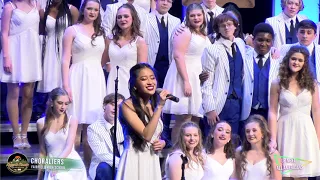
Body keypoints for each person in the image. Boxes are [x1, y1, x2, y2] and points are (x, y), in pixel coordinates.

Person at [61, 0, 107, 170]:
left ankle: (89, 170)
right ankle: (71, 171)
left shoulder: (102, 32)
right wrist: (66, 85)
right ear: (83, 9)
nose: (92, 12)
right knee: (74, 127)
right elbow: (65, 60)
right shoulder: (72, 30)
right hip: (77, 77)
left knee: (92, 129)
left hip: (96, 80)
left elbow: (103, 58)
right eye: (89, 8)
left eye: (96, 9)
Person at [269, 45, 320, 178]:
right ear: (288, 60)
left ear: (305, 63)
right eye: (293, 59)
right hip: (285, 130)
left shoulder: (312, 84)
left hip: (306, 131)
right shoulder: (277, 83)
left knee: (303, 174)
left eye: (300, 60)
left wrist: (318, 137)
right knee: (285, 173)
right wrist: (273, 138)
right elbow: (273, 112)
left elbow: (316, 111)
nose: (296, 62)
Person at [162, 3, 210, 144]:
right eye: (192, 15)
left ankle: (191, 153)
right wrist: (186, 81)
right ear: (187, 17)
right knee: (183, 118)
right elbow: (178, 56)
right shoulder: (184, 31)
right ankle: (176, 152)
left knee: (195, 117)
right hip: (184, 75)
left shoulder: (202, 32)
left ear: (203, 15)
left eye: (199, 15)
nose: (196, 18)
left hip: (197, 77)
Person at [0, 0, 42, 149]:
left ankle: (24, 133)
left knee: (28, 94)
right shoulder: (9, 6)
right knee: (13, 93)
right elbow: (4, 33)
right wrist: (6, 56)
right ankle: (16, 134)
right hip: (14, 51)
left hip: (32, 51)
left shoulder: (37, 5)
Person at [201, 12, 250, 137]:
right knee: (214, 140)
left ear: (235, 26)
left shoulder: (240, 44)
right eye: (222, 25)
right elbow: (207, 82)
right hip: (219, 103)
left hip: (236, 103)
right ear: (218, 29)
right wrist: (210, 109)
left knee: (232, 140)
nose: (226, 28)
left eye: (229, 24)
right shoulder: (212, 50)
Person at [116, 63, 167, 180]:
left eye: (152, 78)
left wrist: (162, 142)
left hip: (152, 158)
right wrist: (159, 107)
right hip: (135, 159)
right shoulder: (126, 105)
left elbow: (158, 133)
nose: (150, 82)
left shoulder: (153, 103)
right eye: (144, 79)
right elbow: (146, 135)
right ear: (134, 85)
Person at [36, 87, 87, 180]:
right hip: (52, 163)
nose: (63, 107)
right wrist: (39, 176)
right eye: (60, 103)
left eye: (66, 104)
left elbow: (68, 147)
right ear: (51, 102)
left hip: (70, 162)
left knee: (60, 176)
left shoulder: (72, 121)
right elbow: (43, 151)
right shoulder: (41, 123)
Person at [104, 3, 148, 99]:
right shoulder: (109, 39)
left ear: (133, 18)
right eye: (119, 17)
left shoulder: (139, 41)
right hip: (112, 82)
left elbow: (141, 70)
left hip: (130, 83)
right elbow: (101, 61)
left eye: (126, 16)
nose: (122, 19)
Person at [37, 0, 78, 93]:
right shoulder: (43, 11)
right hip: (49, 53)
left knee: (65, 86)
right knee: (49, 90)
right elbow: (40, 34)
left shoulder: (72, 10)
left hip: (66, 51)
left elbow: (77, 34)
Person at [244, 23, 281, 120]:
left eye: (268, 41)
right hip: (247, 111)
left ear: (272, 42)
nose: (263, 44)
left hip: (269, 112)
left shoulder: (278, 61)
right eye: (260, 40)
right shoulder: (244, 57)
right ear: (253, 40)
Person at [87, 93, 125, 180]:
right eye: (113, 104)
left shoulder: (124, 125)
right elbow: (102, 154)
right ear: (104, 106)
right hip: (105, 167)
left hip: (122, 166)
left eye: (119, 106)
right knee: (104, 167)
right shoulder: (93, 128)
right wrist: (124, 164)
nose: (115, 108)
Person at [145, 0, 180, 88]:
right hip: (151, 63)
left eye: (168, 1)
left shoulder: (176, 21)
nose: (165, 3)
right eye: (162, 0)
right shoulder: (145, 18)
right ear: (155, 1)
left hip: (169, 65)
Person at [236, 114, 281, 180]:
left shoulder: (274, 154)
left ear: (262, 133)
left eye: (254, 130)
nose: (250, 134)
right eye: (247, 131)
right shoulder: (239, 151)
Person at [280, 20, 320, 89]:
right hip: (293, 89)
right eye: (302, 32)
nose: (305, 36)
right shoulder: (286, 48)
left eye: (309, 33)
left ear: (315, 36)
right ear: (297, 34)